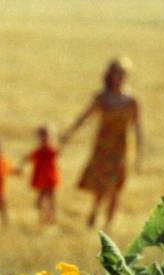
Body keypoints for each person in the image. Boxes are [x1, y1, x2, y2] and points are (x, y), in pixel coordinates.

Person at [59, 57, 144, 229]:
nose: (120, 77)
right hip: (103, 146)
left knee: (117, 186)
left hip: (122, 147)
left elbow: (138, 127)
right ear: (110, 75)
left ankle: (109, 223)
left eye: (123, 73)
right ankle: (94, 213)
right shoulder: (102, 98)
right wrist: (67, 136)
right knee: (101, 185)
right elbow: (84, 118)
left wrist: (140, 153)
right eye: (117, 73)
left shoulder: (132, 100)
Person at [18, 125, 60, 224]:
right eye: (42, 137)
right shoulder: (38, 151)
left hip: (50, 178)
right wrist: (21, 166)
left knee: (50, 199)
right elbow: (28, 158)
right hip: (42, 179)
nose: (44, 139)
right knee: (41, 200)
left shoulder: (50, 150)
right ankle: (43, 218)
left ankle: (51, 218)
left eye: (46, 137)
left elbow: (57, 152)